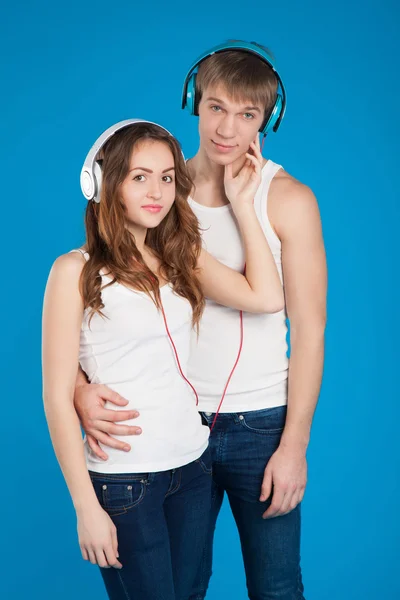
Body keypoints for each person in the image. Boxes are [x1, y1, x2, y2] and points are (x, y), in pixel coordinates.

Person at [74, 40, 327, 600]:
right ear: (195, 101)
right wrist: (78, 386)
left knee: (278, 587)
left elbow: (309, 332)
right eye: (216, 107)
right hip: (174, 429)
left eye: (247, 114)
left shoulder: (289, 200)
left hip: (260, 426)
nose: (227, 129)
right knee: (183, 589)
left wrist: (294, 446)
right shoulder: (157, 190)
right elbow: (95, 299)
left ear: (268, 119)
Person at [42, 118, 284, 600]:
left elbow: (266, 296)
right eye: (139, 177)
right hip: (126, 481)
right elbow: (54, 395)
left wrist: (243, 204)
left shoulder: (180, 257)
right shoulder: (74, 270)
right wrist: (86, 508)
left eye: (167, 176)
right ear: (104, 184)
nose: (157, 191)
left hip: (193, 467)